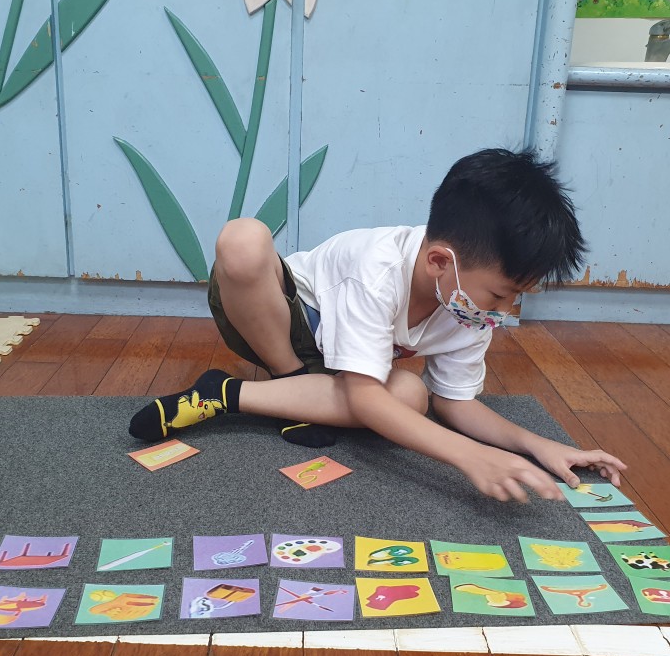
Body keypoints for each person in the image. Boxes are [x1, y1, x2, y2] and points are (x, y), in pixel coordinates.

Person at [129, 148, 627, 503]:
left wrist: (539, 446)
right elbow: (366, 400)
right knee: (243, 239)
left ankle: (225, 394)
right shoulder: (378, 269)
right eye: (500, 295)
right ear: (440, 262)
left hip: (341, 366)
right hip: (280, 321)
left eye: (515, 297)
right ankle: (288, 384)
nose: (505, 310)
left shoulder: (466, 304)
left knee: (411, 395)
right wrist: (471, 457)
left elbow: (455, 403)